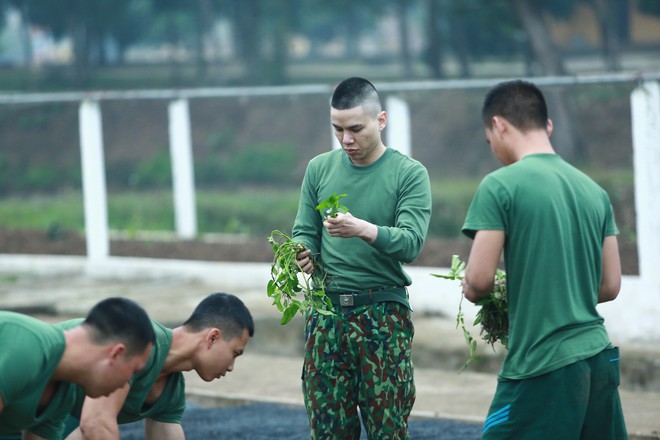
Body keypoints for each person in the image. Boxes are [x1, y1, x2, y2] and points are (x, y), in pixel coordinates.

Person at [460, 79, 627, 439]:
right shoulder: (594, 192)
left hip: (541, 363)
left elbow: (479, 282)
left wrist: (482, 290)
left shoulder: (500, 185)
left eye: (490, 141)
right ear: (546, 125)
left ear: (499, 125)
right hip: (597, 358)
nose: (493, 149)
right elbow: (610, 286)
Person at [292, 76, 432, 439]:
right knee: (328, 430)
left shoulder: (408, 174)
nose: (346, 140)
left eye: (356, 129)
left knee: (388, 430)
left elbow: (411, 243)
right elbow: (304, 230)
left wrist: (363, 229)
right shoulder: (319, 169)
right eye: (337, 129)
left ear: (380, 120)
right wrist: (302, 254)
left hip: (382, 317)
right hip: (326, 316)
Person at [62, 292, 255, 440]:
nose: (231, 367)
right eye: (234, 353)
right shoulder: (138, 338)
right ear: (213, 337)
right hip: (33, 384)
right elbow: (95, 424)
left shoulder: (171, 394)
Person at [0, 297, 154, 440]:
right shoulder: (28, 349)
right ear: (116, 354)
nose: (126, 383)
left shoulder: (62, 398)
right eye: (134, 371)